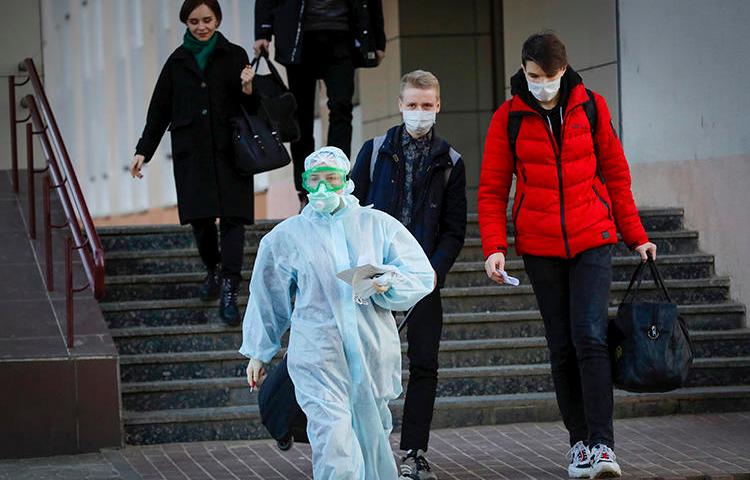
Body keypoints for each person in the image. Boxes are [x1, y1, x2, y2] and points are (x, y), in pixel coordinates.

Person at [478, 32, 658, 479]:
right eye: (535, 76)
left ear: (565, 70)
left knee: (591, 338)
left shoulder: (591, 106)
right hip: (540, 246)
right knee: (561, 345)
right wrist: (494, 247)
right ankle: (578, 444)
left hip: (593, 237)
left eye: (551, 76)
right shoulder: (508, 117)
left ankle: (603, 447)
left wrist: (636, 235)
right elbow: (492, 188)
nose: (543, 84)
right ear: (523, 70)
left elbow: (615, 174)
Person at [240, 146, 435, 480]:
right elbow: (267, 295)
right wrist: (259, 351)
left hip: (370, 348)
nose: (322, 189)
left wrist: (387, 283)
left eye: (331, 179)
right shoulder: (287, 237)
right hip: (317, 354)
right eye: (314, 180)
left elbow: (421, 275)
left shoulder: (377, 225)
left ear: (346, 181)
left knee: (372, 440)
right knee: (332, 439)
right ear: (303, 183)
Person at [351, 70, 467, 480]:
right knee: (362, 363)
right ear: (400, 105)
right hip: (374, 277)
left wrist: (430, 275)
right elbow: (352, 212)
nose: (420, 113)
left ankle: (414, 452)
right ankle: (364, 449)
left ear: (438, 106)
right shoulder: (374, 150)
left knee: (424, 365)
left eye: (427, 105)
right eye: (412, 105)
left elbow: (455, 230)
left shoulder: (451, 162)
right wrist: (362, 268)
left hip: (423, 282)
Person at [130, 0, 258, 326]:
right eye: (194, 21)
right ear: (185, 23)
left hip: (231, 152)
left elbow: (252, 107)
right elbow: (159, 110)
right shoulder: (177, 61)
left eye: (207, 20)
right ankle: (212, 270)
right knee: (201, 222)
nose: (201, 27)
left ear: (217, 20)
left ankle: (229, 288)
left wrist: (247, 87)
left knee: (233, 220)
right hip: (193, 155)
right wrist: (143, 150)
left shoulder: (235, 55)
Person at [253, 0, 386, 208]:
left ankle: (336, 179)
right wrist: (262, 31)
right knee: (300, 117)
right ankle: (306, 189)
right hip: (298, 34)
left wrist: (378, 38)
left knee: (342, 107)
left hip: (343, 33)